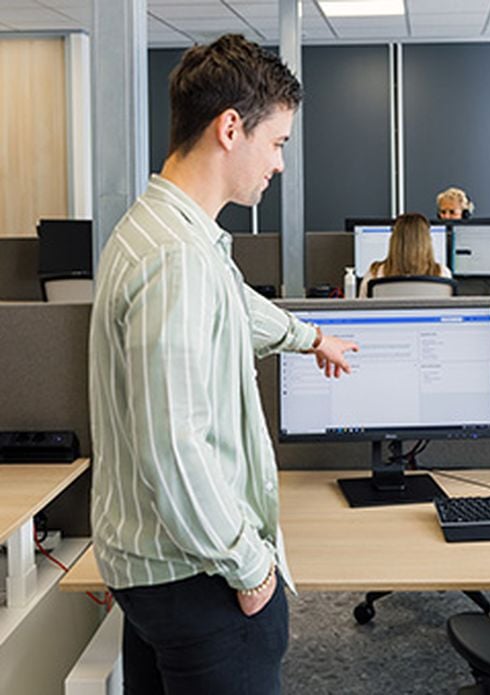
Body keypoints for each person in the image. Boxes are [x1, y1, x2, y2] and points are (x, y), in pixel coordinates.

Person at [88, 34, 357, 695]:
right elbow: (174, 442)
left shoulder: (159, 231)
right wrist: (250, 566)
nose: (281, 165)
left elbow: (229, 304)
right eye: (279, 143)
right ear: (230, 127)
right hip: (197, 571)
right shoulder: (177, 260)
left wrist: (307, 335)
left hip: (152, 567)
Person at [358, 212, 452, 298]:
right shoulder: (442, 274)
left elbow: (360, 311)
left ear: (394, 240)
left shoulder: (375, 273)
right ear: (427, 241)